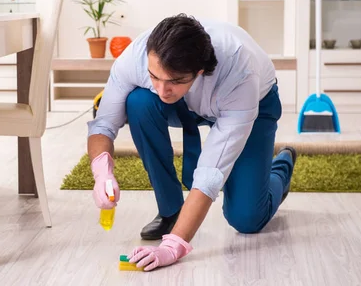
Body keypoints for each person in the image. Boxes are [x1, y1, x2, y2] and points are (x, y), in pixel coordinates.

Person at [87, 14, 297, 272]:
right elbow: (103, 124)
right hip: (186, 103)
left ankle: (280, 167)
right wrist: (101, 172)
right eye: (155, 77)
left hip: (252, 103)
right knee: (139, 102)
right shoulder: (137, 57)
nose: (162, 90)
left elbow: (211, 172)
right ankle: (171, 211)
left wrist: (174, 246)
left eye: (174, 80)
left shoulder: (240, 74)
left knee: (247, 219)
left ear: (199, 72)